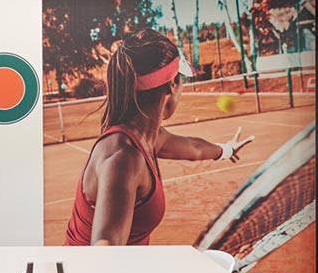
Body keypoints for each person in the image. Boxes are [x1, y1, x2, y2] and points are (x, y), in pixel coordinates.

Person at [64, 28, 250, 246]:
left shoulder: (148, 137)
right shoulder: (124, 159)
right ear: (172, 85)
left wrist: (227, 149)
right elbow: (105, 250)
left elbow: (193, 148)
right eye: (181, 81)